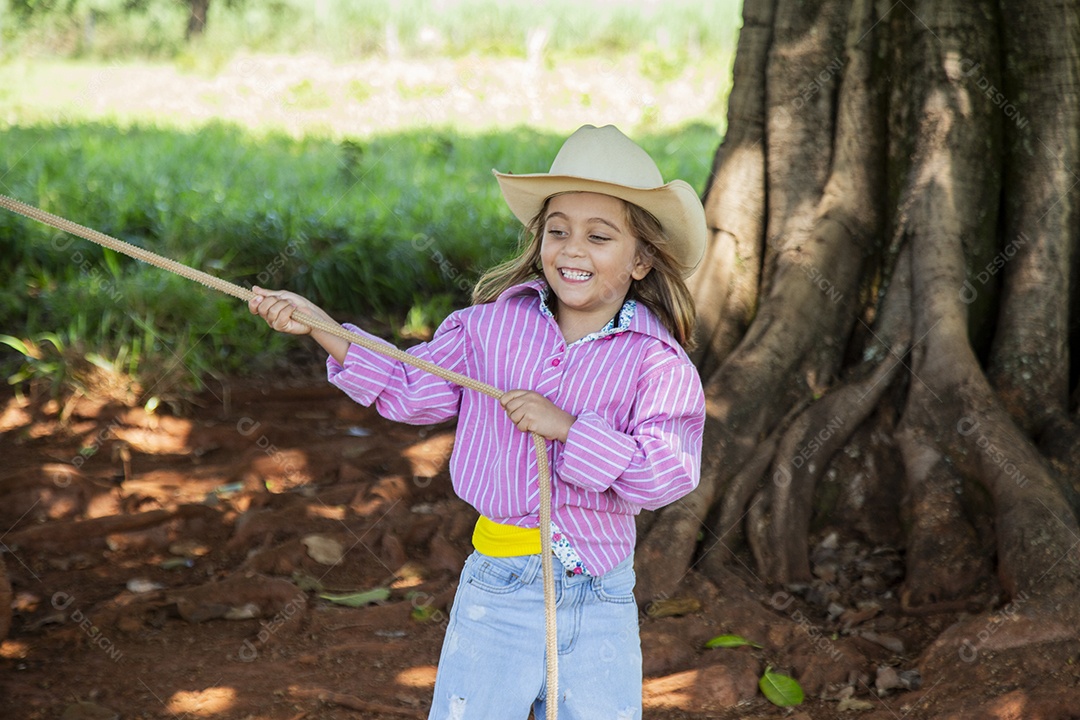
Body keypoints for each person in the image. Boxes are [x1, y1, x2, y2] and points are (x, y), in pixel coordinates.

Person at [249, 124, 707, 720]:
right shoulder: (490, 327)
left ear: (642, 258)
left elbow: (666, 474)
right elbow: (409, 387)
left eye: (599, 236)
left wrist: (569, 428)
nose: (572, 250)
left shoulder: (657, 360)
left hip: (601, 592)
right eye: (557, 230)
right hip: (501, 586)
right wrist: (320, 326)